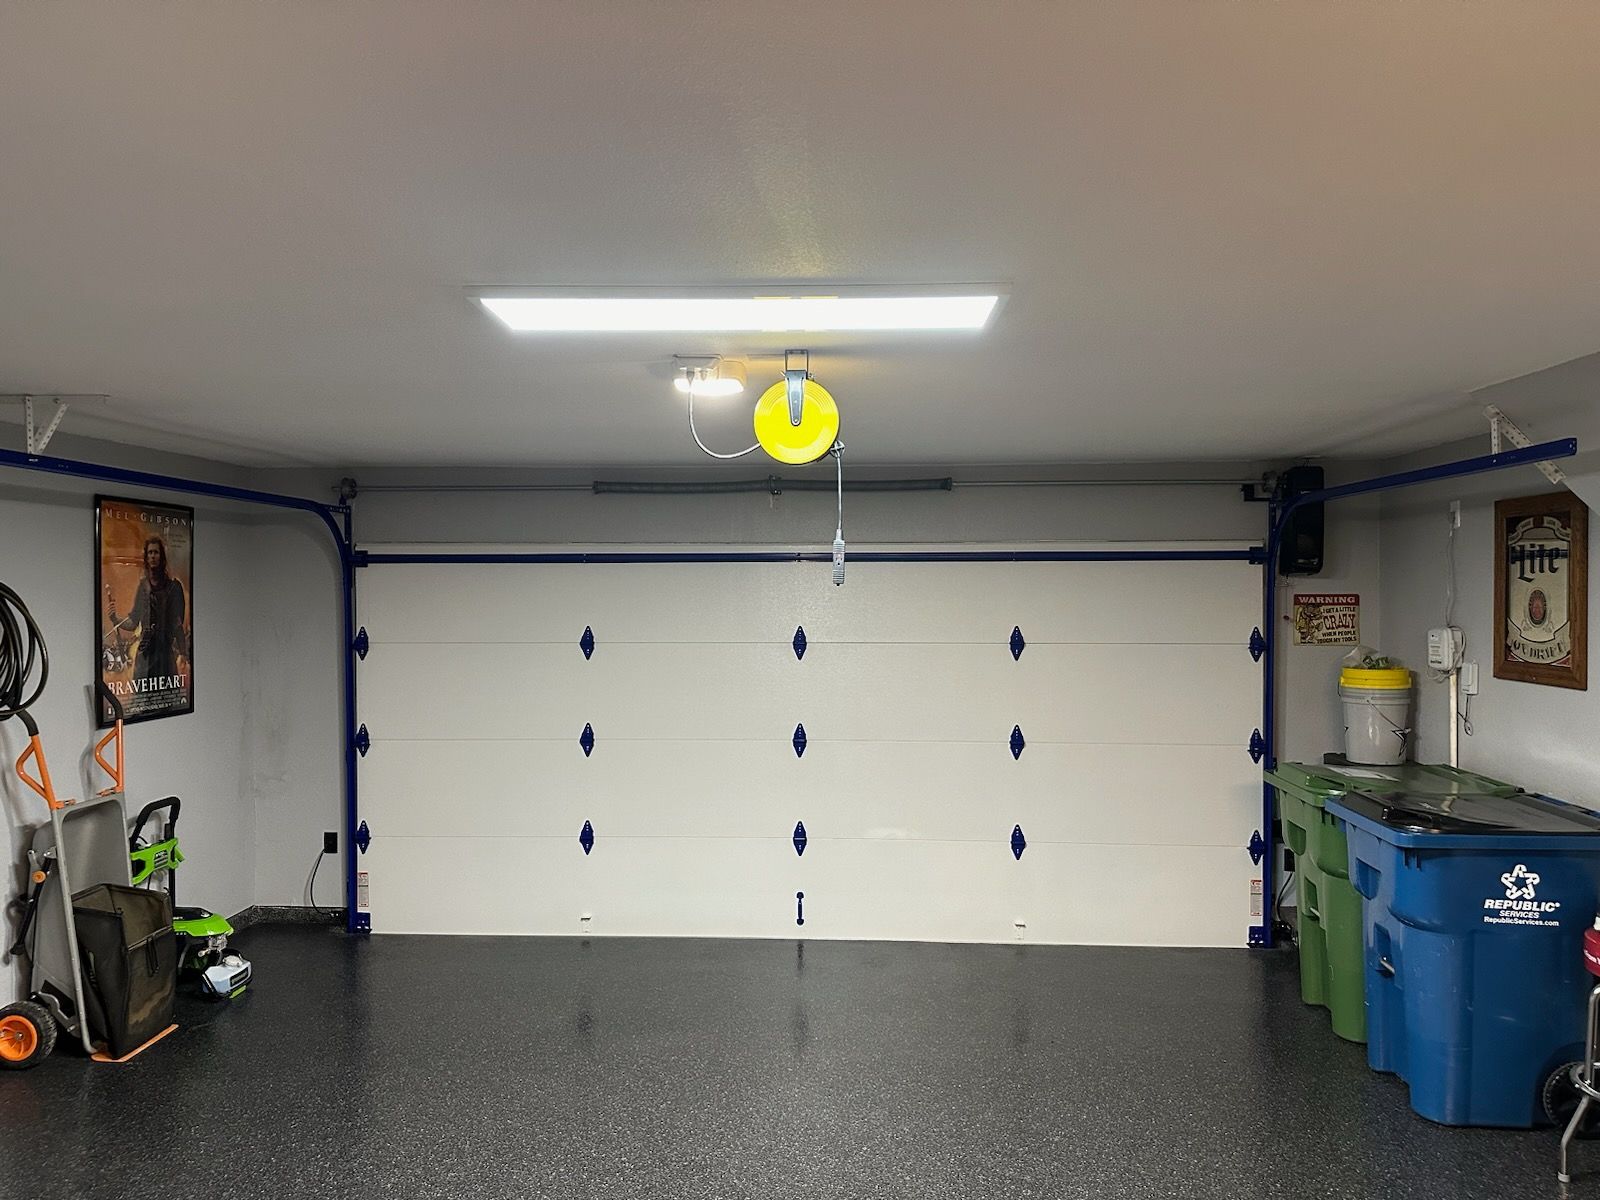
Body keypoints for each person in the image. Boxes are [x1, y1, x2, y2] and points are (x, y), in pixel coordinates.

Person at [108, 535, 188, 681]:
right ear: (146, 557)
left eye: (156, 552)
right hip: (145, 656)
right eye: (150, 553)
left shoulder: (173, 588)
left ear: (162, 557)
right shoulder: (143, 587)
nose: (152, 556)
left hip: (164, 656)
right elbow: (133, 623)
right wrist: (115, 618)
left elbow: (177, 625)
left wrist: (183, 653)